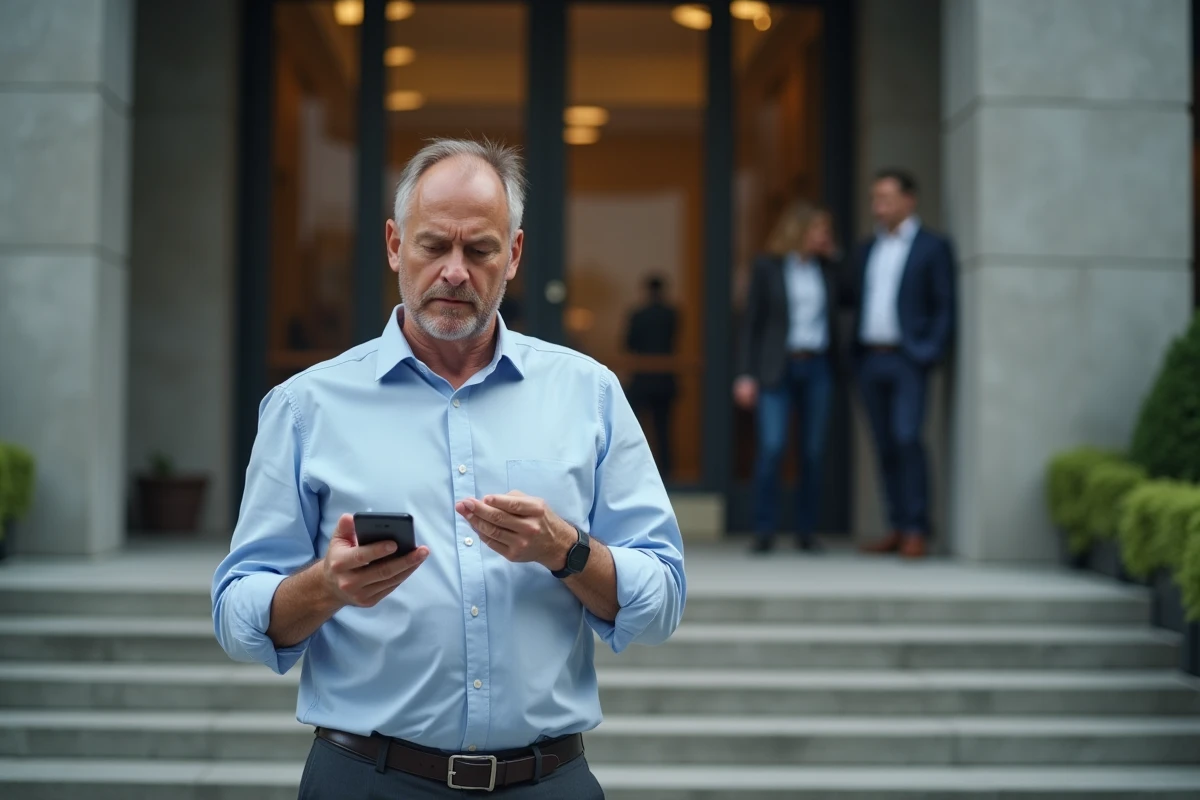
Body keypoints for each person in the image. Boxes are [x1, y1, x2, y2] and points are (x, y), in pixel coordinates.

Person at [212, 139, 686, 799]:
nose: (455, 272)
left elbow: (663, 599)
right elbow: (236, 612)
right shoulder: (304, 408)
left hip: (547, 781)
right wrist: (327, 586)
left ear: (514, 255)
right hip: (366, 781)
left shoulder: (590, 394)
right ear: (393, 245)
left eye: (480, 250)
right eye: (434, 246)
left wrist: (566, 551)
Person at [850, 168, 956, 559]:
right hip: (870, 359)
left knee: (908, 439)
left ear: (909, 200)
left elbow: (944, 307)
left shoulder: (932, 246)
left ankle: (916, 529)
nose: (879, 206)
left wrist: (929, 351)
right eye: (875, 198)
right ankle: (896, 526)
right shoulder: (868, 249)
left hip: (908, 360)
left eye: (886, 198)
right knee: (884, 446)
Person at [734, 201, 840, 554]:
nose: (825, 237)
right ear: (801, 231)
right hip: (776, 368)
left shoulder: (829, 268)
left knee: (812, 451)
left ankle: (806, 531)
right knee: (773, 447)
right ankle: (764, 530)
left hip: (818, 367)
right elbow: (753, 322)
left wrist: (835, 256)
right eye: (820, 230)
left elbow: (850, 299)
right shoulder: (768, 267)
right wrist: (746, 374)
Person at [624, 275, 678, 479]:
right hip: (665, 380)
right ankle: (666, 474)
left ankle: (637, 475)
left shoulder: (639, 315)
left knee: (636, 431)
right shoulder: (672, 314)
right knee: (663, 431)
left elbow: (629, 343)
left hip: (642, 379)